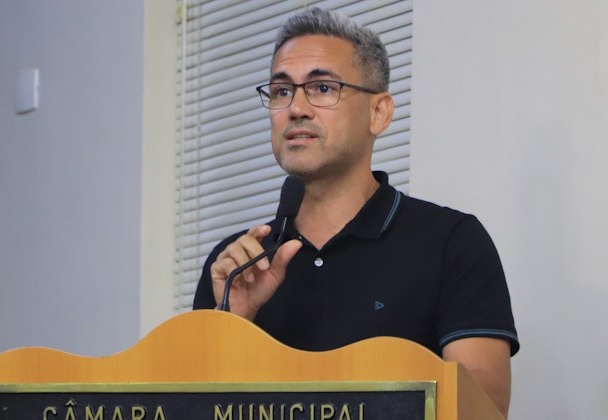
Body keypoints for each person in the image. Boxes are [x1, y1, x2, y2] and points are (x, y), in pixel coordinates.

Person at [193, 7, 519, 418]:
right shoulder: (238, 265)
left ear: (378, 113)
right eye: (281, 91)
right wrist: (233, 324)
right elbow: (185, 405)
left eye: (322, 88)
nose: (296, 108)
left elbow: (485, 405)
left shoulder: (451, 242)